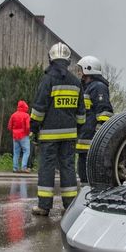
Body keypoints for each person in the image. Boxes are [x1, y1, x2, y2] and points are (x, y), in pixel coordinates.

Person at [30, 43, 84, 216]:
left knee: (47, 168)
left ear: (50, 59)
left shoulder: (48, 80)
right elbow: (81, 114)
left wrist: (34, 128)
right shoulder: (76, 82)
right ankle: (69, 206)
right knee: (68, 168)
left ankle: (44, 206)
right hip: (69, 135)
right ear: (68, 61)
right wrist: (77, 130)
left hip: (48, 136)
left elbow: (39, 109)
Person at [75, 55, 113, 182]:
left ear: (88, 69)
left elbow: (104, 110)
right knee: (82, 165)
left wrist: (99, 130)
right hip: (85, 135)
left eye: (81, 70)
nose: (79, 73)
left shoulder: (98, 87)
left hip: (91, 136)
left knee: (87, 166)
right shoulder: (87, 87)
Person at [7, 100, 32, 173]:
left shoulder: (13, 115)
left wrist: (14, 131)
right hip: (24, 135)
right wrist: (28, 133)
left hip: (15, 136)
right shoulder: (26, 115)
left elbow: (9, 126)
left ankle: (15, 168)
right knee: (26, 151)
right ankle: (23, 168)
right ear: (25, 107)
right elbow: (27, 127)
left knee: (16, 152)